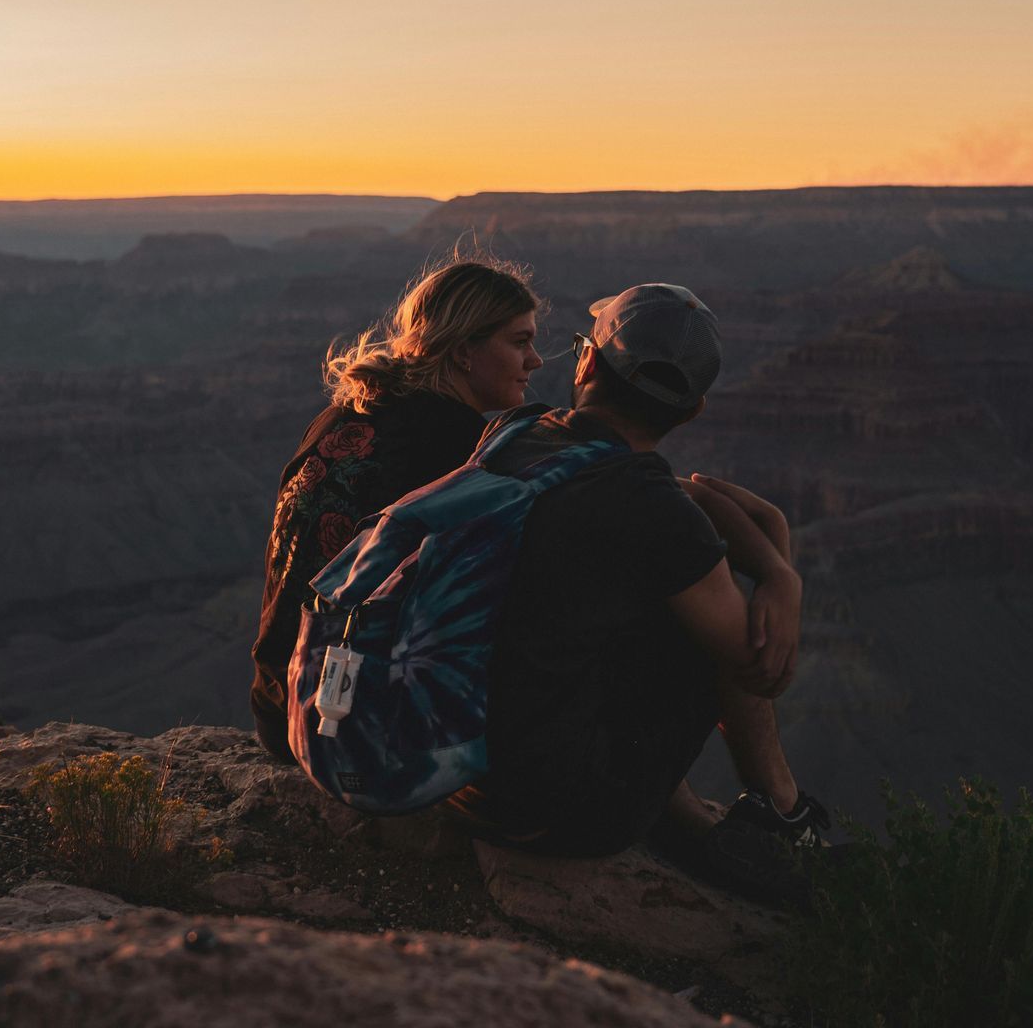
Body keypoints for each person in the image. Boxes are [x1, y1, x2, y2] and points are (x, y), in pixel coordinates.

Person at [442, 282, 829, 898]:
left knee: (669, 599)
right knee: (711, 622)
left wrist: (772, 564)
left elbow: (675, 494)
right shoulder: (649, 510)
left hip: (452, 776)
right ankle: (784, 815)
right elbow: (761, 666)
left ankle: (721, 817)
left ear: (588, 361)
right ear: (693, 410)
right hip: (550, 816)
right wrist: (778, 562)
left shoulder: (517, 433)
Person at [250, 257, 545, 763]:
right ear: (464, 351)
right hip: (354, 731)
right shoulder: (459, 451)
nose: (536, 360)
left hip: (282, 709)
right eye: (519, 342)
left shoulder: (342, 414)